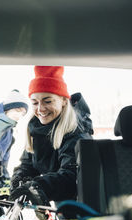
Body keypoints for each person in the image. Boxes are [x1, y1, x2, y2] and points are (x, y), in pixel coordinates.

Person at [10, 66, 93, 205]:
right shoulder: (36, 129)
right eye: (35, 103)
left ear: (64, 101)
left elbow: (72, 175)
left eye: (48, 101)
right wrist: (20, 178)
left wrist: (39, 186)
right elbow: (29, 163)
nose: (40, 109)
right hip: (60, 204)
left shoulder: (77, 132)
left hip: (80, 205)